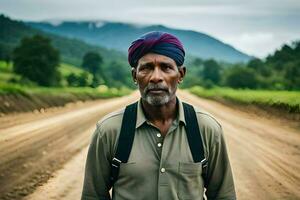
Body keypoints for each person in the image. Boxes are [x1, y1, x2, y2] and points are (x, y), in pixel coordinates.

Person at [81, 31, 236, 200]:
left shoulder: (206, 129)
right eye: (146, 68)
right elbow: (93, 196)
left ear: (181, 75)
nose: (156, 77)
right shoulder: (109, 130)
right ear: (135, 76)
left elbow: (223, 195)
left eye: (166, 67)